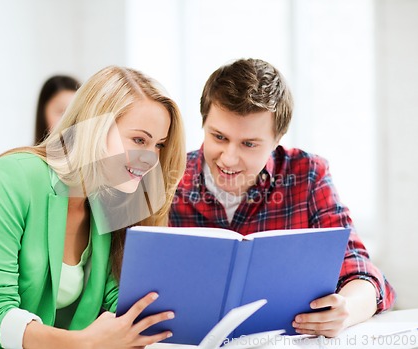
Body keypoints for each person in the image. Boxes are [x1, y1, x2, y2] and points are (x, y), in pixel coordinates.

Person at [0, 65, 186, 349]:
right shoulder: (12, 177)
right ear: (94, 126)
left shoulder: (113, 199)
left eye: (159, 145)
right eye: (139, 140)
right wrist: (84, 343)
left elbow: (122, 306)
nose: (150, 159)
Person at [169, 58, 396, 337]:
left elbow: (362, 273)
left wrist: (345, 309)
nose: (228, 157)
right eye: (218, 137)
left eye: (249, 144)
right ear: (203, 123)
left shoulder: (308, 175)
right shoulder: (170, 178)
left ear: (277, 140)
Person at [34, 75, 81, 145]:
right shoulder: (26, 155)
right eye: (61, 112)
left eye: (75, 113)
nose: (70, 120)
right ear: (43, 112)